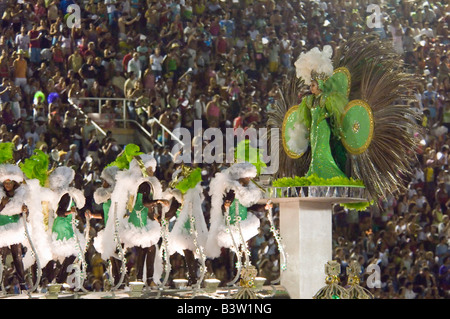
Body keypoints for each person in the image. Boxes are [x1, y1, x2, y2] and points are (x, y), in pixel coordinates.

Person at [205, 162, 263, 281]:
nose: (249, 179)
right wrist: (226, 204)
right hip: (232, 225)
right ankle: (231, 275)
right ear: (241, 176)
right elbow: (228, 199)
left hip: (244, 223)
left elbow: (250, 206)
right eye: (248, 177)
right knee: (232, 253)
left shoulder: (246, 191)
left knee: (243, 251)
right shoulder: (232, 188)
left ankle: (242, 276)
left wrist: (264, 208)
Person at [46, 166, 87, 285]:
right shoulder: (66, 195)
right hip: (63, 226)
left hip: (64, 225)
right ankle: (59, 279)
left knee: (71, 253)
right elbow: (60, 212)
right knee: (73, 252)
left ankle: (57, 278)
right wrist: (71, 212)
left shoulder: (64, 194)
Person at [0, 163, 29, 292]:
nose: (7, 185)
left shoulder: (19, 195)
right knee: (2, 258)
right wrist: (2, 204)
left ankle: (23, 285)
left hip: (15, 228)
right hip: (2, 228)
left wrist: (24, 210)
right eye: (5, 183)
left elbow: (24, 214)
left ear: (14, 183)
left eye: (10, 183)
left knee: (17, 257)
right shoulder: (0, 194)